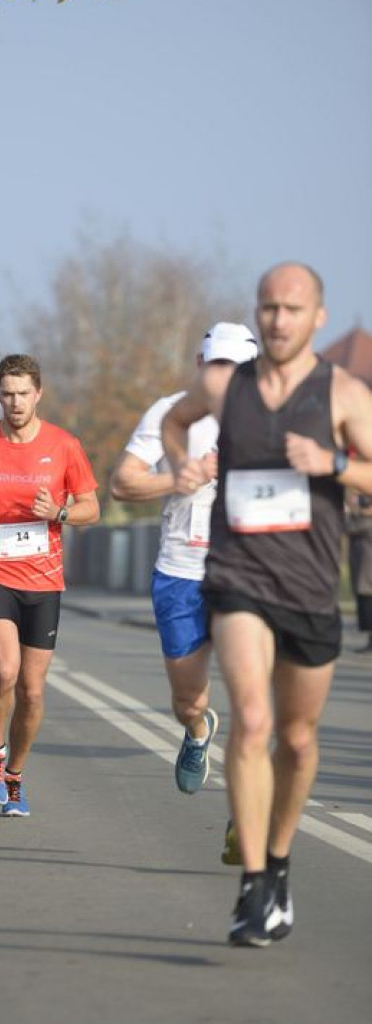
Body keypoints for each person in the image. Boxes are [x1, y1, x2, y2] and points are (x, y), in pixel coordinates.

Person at [161, 262, 372, 947]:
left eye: (292, 307)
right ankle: (253, 886)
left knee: (298, 738)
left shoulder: (342, 392)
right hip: (237, 578)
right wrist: (182, 468)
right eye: (268, 307)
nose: (278, 318)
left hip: (310, 589)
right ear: (258, 314)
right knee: (251, 723)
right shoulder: (226, 387)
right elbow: (175, 419)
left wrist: (335, 465)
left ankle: (278, 862)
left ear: (318, 316)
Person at [110, 323, 258, 797]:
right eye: (217, 365)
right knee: (188, 698)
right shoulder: (171, 413)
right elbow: (122, 484)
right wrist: (179, 480)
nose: (225, 376)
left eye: (236, 368)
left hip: (248, 576)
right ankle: (196, 731)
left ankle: (248, 808)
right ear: (200, 365)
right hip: (181, 572)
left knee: (253, 704)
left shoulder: (276, 418)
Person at [0, 354, 100, 816]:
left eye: (23, 394)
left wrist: (57, 513)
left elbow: (92, 509)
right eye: (6, 394)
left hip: (44, 578)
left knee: (33, 692)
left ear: (38, 393)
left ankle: (15, 775)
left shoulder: (64, 446)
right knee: (6, 670)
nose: (15, 403)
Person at [345, 484, 372, 653]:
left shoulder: (363, 522)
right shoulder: (359, 519)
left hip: (368, 574)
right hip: (362, 570)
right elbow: (346, 526)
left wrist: (359, 513)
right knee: (365, 608)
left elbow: (354, 527)